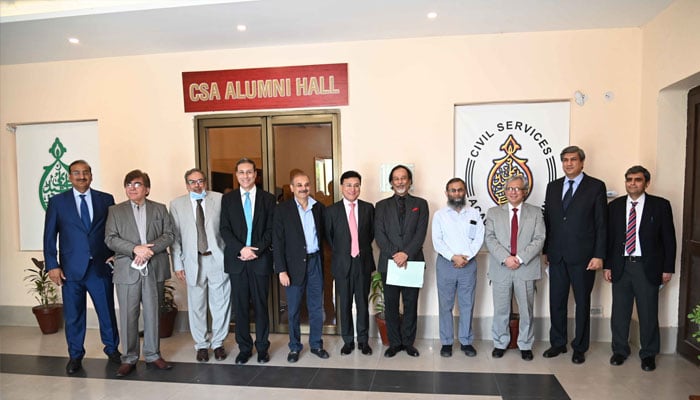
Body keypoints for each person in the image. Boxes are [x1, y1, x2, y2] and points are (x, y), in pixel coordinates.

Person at [42, 159, 121, 374]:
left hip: (99, 267)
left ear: (91, 175)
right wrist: (52, 265)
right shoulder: (58, 202)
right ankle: (75, 355)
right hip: (70, 270)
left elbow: (114, 230)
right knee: (74, 315)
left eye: (85, 172)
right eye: (76, 173)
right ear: (69, 177)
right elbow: (49, 236)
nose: (81, 176)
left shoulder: (105, 199)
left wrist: (115, 254)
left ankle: (113, 349)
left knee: (106, 311)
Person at [604, 165, 676, 372]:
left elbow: (669, 240)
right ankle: (619, 350)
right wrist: (608, 265)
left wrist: (667, 268)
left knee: (648, 312)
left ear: (646, 183)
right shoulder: (615, 207)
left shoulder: (660, 206)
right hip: (621, 266)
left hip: (648, 266)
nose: (632, 183)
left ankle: (649, 354)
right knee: (620, 312)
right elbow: (610, 240)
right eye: (629, 179)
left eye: (637, 180)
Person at [105, 170, 175, 377]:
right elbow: (110, 238)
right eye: (128, 184)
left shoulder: (159, 209)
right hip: (128, 269)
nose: (131, 188)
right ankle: (129, 358)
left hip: (153, 268)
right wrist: (135, 249)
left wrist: (149, 251)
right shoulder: (115, 211)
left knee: (153, 312)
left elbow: (169, 234)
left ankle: (153, 354)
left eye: (136, 184)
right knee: (128, 315)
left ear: (147, 189)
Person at [542, 145, 607, 364]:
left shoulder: (595, 186)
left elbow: (601, 224)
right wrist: (546, 252)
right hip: (557, 255)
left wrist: (599, 255)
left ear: (582, 162)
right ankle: (558, 343)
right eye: (565, 160)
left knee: (582, 303)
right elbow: (549, 222)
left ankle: (580, 346)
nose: (568, 163)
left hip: (584, 257)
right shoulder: (553, 187)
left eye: (573, 160)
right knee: (556, 302)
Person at [170, 168, 231, 363]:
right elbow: (176, 238)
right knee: (196, 305)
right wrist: (178, 264)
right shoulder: (177, 205)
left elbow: (227, 229)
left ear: (206, 182)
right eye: (192, 182)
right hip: (192, 260)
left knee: (220, 304)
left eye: (200, 181)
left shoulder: (219, 199)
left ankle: (219, 343)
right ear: (186, 184)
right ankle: (202, 345)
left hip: (216, 258)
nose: (197, 185)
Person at [220, 158, 276, 364]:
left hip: (259, 260)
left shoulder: (268, 199)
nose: (246, 176)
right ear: (236, 175)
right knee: (241, 307)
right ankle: (244, 348)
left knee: (261, 306)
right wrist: (241, 249)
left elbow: (271, 230)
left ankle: (262, 347)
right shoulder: (228, 199)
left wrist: (257, 250)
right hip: (237, 260)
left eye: (249, 172)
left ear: (255, 175)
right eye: (241, 172)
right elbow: (224, 229)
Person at [484, 176, 545, 361]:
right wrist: (506, 258)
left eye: (517, 189)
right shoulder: (494, 212)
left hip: (525, 268)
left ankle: (525, 344)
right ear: (505, 191)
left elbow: (539, 238)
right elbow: (490, 238)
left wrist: (519, 258)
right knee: (501, 309)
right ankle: (500, 342)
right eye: (510, 188)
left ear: (524, 191)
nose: (513, 191)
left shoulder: (535, 213)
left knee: (526, 309)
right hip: (501, 268)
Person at [273, 171, 328, 363]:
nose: (303, 188)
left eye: (306, 184)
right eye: (299, 185)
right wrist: (281, 270)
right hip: (293, 266)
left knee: (316, 307)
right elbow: (277, 242)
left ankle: (316, 344)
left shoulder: (319, 208)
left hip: (315, 263)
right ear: (291, 188)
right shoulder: (282, 210)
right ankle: (295, 347)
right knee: (294, 309)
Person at [375, 165, 429, 358]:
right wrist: (396, 254)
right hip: (389, 263)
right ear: (391, 182)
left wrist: (406, 253)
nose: (400, 181)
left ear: (410, 181)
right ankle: (394, 343)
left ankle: (408, 343)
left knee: (410, 304)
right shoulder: (380, 206)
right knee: (390, 305)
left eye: (404, 178)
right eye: (396, 178)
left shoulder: (421, 204)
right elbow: (379, 235)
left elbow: (420, 233)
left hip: (412, 261)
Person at [432, 177, 484, 358]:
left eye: (460, 190)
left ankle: (466, 341)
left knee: (467, 304)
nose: (456, 193)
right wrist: (453, 257)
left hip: (468, 265)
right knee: (445, 305)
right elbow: (437, 241)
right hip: (446, 264)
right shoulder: (440, 215)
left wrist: (465, 257)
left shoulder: (474, 214)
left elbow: (479, 238)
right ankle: (446, 342)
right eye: (453, 190)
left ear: (465, 192)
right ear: (446, 193)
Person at [324, 170, 375, 356]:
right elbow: (329, 238)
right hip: (342, 264)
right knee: (344, 305)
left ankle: (363, 340)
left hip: (362, 263)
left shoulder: (369, 208)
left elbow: (370, 235)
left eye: (356, 185)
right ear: (341, 187)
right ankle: (347, 340)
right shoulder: (331, 211)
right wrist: (344, 252)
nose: (352, 189)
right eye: (348, 185)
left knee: (362, 304)